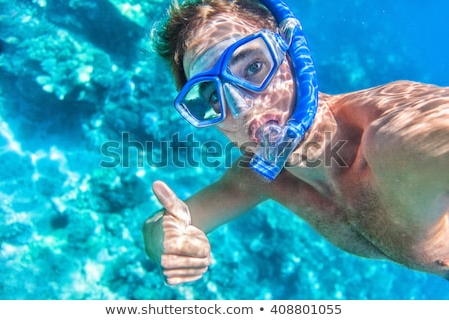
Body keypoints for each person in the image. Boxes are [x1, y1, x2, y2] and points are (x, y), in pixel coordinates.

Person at [142, 0, 449, 285]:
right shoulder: (263, 176)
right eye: (213, 96)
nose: (240, 106)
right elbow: (167, 225)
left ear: (293, 54)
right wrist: (168, 241)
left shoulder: (394, 139)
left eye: (252, 67)